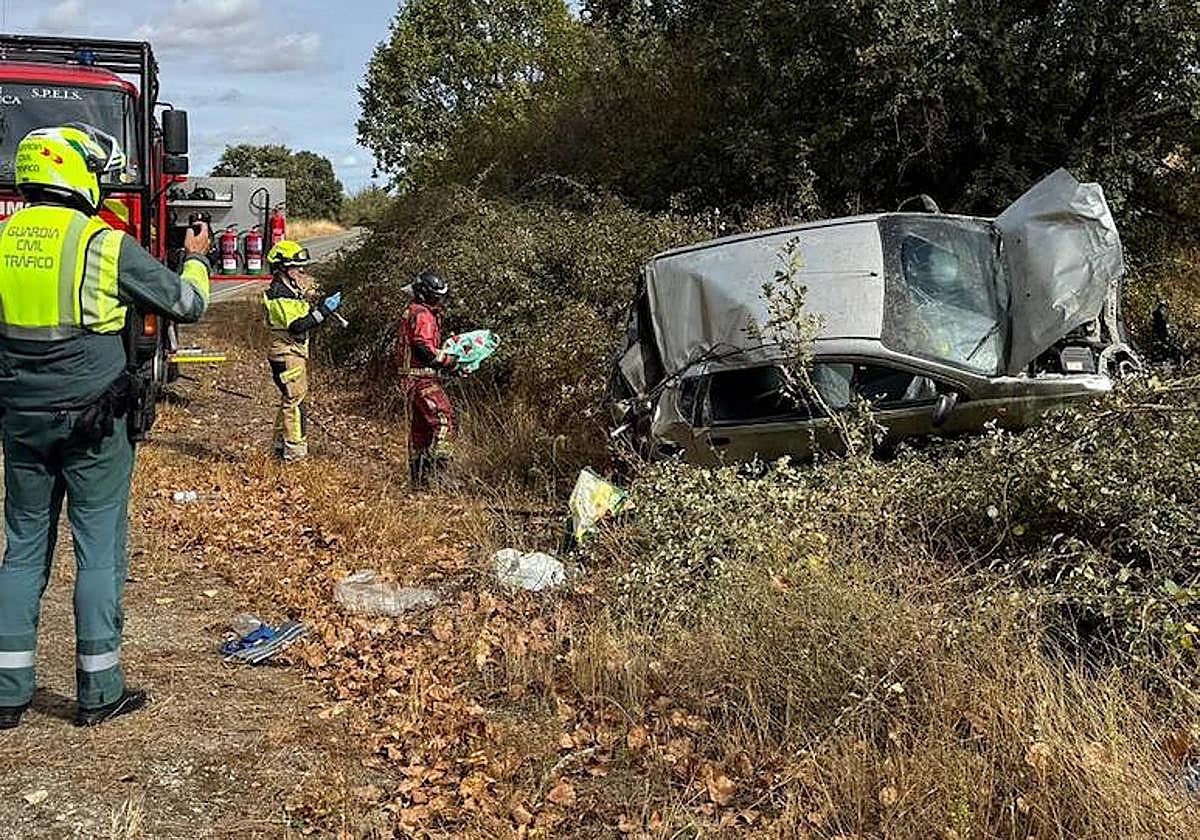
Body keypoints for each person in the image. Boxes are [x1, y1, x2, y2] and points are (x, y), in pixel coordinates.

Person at [0, 124, 210, 728]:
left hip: (22, 422)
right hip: (95, 423)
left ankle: (9, 692)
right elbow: (187, 305)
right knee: (97, 549)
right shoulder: (102, 243)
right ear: (78, 174)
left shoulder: (3, 239)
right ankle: (99, 691)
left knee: (21, 551)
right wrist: (193, 260)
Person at [261, 240, 342, 461]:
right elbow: (297, 325)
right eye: (296, 267)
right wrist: (324, 311)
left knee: (290, 398)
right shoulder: (278, 293)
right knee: (295, 402)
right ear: (283, 268)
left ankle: (279, 448)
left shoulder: (290, 291)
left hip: (293, 352)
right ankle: (295, 454)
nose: (301, 271)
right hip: (286, 353)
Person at [398, 271, 458, 486]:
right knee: (445, 421)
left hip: (410, 379)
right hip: (421, 378)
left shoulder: (413, 311)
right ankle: (439, 475)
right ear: (425, 294)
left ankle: (419, 479)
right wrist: (450, 361)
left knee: (421, 430)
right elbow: (424, 349)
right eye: (436, 296)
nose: (439, 301)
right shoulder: (422, 314)